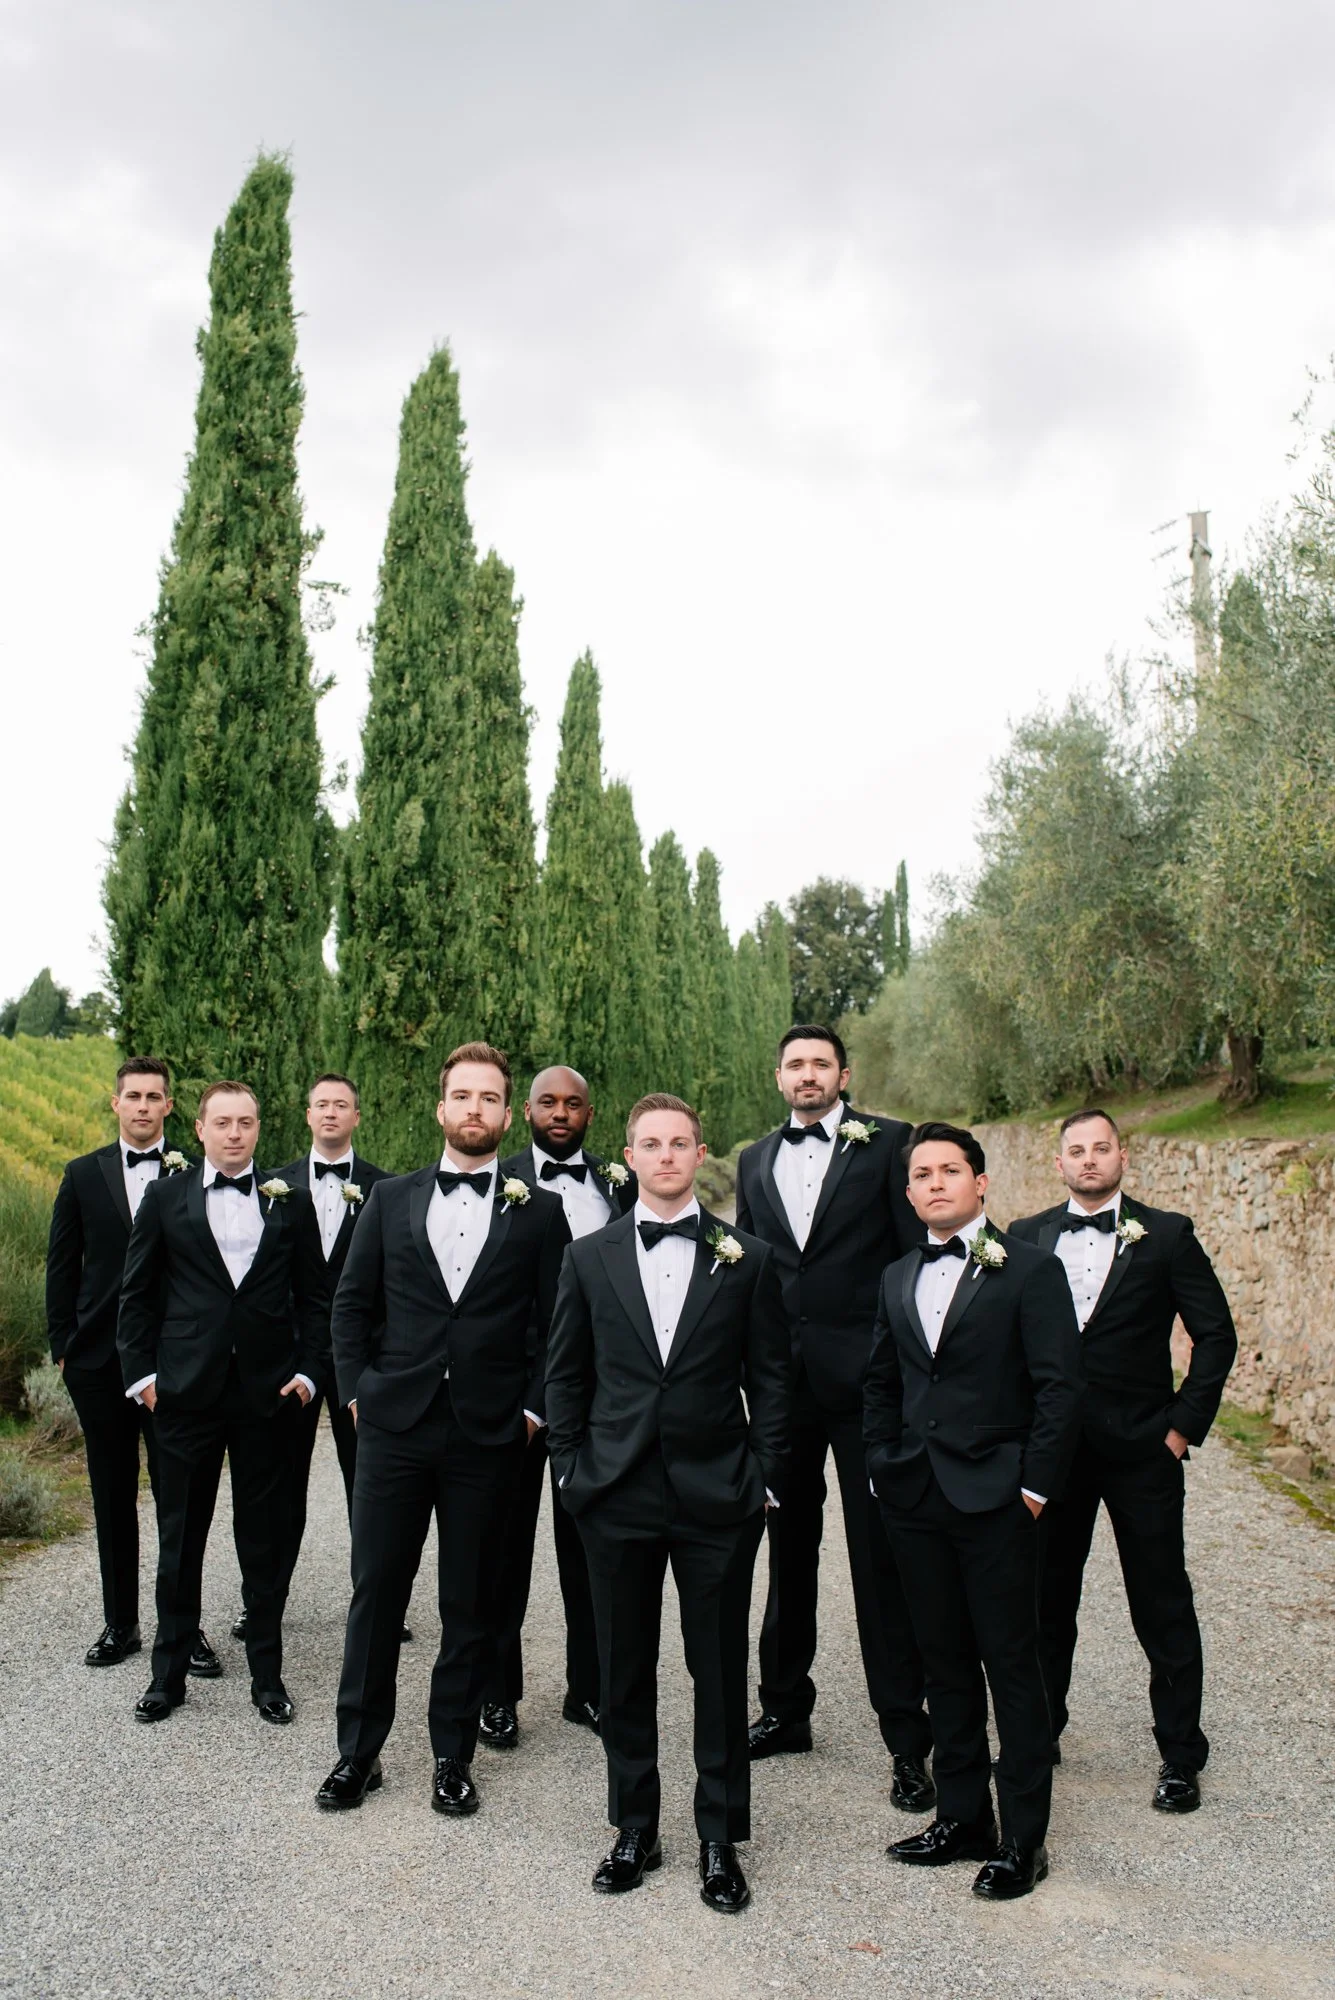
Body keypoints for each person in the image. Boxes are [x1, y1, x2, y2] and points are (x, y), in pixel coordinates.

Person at [546, 1094, 791, 1914]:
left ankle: (720, 1837)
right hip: (613, 1492)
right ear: (630, 1156)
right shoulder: (588, 1257)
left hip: (716, 1493)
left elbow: (773, 1378)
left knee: (717, 1669)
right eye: (649, 1144)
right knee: (623, 1667)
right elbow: (564, 1375)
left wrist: (762, 1473)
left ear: (698, 1152)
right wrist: (570, 1471)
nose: (664, 1157)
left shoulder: (746, 1258)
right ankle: (634, 1827)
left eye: (678, 1143)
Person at [316, 1042, 570, 1817]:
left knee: (471, 1602)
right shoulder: (389, 1200)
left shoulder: (540, 1212)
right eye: (462, 1095)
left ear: (507, 1114)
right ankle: (358, 1753)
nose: (474, 1109)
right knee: (376, 1592)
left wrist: (532, 1410)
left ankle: (452, 1756)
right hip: (393, 1428)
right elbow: (351, 1306)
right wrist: (357, 1393)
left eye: (489, 1098)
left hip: (488, 1435)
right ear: (441, 1108)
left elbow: (558, 1326)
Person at [864, 1121, 1082, 1900]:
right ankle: (961, 1818)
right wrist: (880, 1467)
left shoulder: (1030, 1270)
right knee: (942, 1661)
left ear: (979, 1182)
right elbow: (881, 1381)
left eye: (948, 1171)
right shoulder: (895, 1276)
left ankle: (1023, 1838)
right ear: (908, 1191)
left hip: (996, 1499)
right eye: (921, 1174)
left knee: (1010, 1664)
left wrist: (1033, 1488)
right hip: (914, 1497)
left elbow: (1059, 1387)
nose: (934, 1184)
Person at [1009, 1109, 1237, 1815]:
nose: (1088, 1159)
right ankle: (1038, 1737)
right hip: (1052, 1455)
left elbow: (1216, 1335)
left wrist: (1181, 1428)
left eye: (1100, 1148)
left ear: (1121, 1157)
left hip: (1142, 1449)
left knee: (1160, 1601)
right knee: (1043, 1601)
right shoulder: (1024, 1236)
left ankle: (1180, 1755)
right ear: (1057, 1163)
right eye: (1075, 1150)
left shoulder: (1165, 1235)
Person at [735, 1025, 933, 1812]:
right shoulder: (755, 1160)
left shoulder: (888, 1145)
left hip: (867, 1389)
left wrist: (908, 1374)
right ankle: (784, 1708)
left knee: (880, 1560)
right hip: (783, 1392)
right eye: (795, 1064)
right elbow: (751, 1272)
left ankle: (907, 1740)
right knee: (784, 1552)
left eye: (820, 1063)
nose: (807, 1074)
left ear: (842, 1075)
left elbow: (914, 1259)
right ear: (778, 1076)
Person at [117, 1081, 331, 1727]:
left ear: (259, 1128)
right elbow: (137, 1296)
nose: (234, 1134)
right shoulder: (165, 1198)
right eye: (223, 1123)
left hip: (268, 1396)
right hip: (184, 1394)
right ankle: (167, 1676)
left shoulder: (289, 1201)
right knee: (180, 1538)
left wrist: (309, 1373)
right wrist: (142, 1378)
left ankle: (267, 1675)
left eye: (245, 1123)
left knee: (262, 1541)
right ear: (201, 1129)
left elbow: (317, 1299)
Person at [480, 1064, 638, 1750]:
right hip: (516, 1393)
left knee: (591, 1549)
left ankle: (589, 1689)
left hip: (599, 1396)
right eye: (548, 1102)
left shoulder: (619, 1184)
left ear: (590, 1115)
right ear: (526, 1112)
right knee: (502, 1549)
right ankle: (496, 1693)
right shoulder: (495, 1180)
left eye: (573, 1104)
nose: (560, 1113)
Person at [44, 1057, 218, 1678]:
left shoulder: (196, 1175)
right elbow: (62, 1264)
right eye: (133, 1096)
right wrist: (63, 1345)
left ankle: (183, 1627)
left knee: (179, 1499)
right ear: (115, 1103)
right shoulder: (81, 1175)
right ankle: (120, 1622)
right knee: (112, 1492)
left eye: (153, 1097)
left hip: (172, 1364)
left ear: (169, 1106)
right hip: (96, 1362)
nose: (143, 1106)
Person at [228, 1073, 394, 1647]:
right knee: (279, 1491)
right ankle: (262, 1604)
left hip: (360, 1362)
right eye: (321, 1104)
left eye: (341, 1105)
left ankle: (380, 1604)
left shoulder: (385, 1189)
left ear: (356, 1117)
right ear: (307, 1115)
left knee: (368, 1488)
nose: (330, 1113)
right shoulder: (270, 1185)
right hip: (291, 1364)